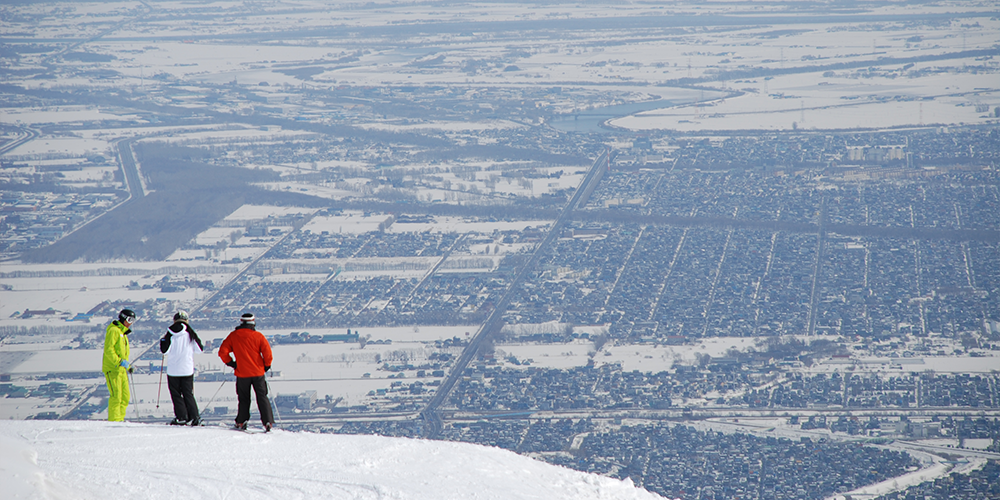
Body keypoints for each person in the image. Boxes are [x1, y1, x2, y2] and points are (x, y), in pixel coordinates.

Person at [218, 313, 274, 431]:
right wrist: (266, 366)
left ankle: (241, 422)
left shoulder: (234, 336)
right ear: (253, 322)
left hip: (242, 373)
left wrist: (232, 363)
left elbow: (222, 352)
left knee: (243, 398)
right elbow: (267, 354)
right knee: (262, 397)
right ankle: (267, 422)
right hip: (258, 372)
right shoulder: (258, 336)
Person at [159, 310, 204, 426]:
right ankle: (194, 417)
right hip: (187, 369)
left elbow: (164, 350)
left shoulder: (169, 333)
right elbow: (200, 349)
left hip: (173, 370)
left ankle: (181, 417)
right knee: (188, 394)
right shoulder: (190, 333)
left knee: (176, 395)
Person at [102, 308, 136, 422]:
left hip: (122, 370)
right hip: (113, 369)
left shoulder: (123, 333)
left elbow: (123, 354)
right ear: (123, 318)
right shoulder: (114, 331)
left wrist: (128, 366)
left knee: (125, 397)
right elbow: (109, 350)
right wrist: (118, 362)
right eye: (130, 320)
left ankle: (120, 419)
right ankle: (114, 421)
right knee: (116, 396)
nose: (131, 323)